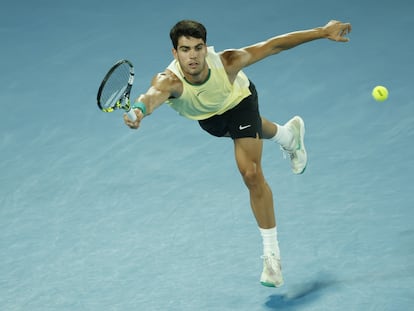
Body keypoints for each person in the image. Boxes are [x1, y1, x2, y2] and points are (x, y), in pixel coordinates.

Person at [124, 19, 351, 287]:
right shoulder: (169, 81)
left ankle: (271, 258)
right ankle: (289, 135)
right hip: (210, 119)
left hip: (240, 101)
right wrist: (139, 110)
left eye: (198, 48)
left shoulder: (228, 62)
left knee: (251, 173)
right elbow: (152, 96)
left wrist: (322, 32)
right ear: (175, 53)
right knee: (250, 131)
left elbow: (273, 45)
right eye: (185, 50)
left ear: (206, 48)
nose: (193, 56)